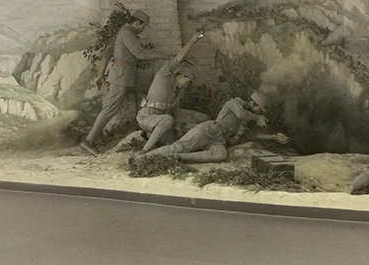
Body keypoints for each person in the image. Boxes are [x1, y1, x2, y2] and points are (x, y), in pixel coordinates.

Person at [81, 10, 163, 155]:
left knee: (146, 97)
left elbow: (107, 53)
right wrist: (167, 56)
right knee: (110, 109)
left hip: (126, 75)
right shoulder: (126, 33)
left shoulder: (122, 32)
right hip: (121, 77)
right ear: (137, 23)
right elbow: (141, 54)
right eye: (143, 26)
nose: (143, 30)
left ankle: (148, 133)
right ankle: (89, 141)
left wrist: (100, 75)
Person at [135, 91, 289, 163]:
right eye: (258, 109)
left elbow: (251, 135)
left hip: (219, 140)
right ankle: (142, 158)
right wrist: (257, 117)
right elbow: (241, 114)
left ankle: (180, 158)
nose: (257, 112)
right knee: (177, 147)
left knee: (221, 155)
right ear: (252, 103)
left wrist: (273, 137)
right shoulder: (235, 103)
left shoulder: (246, 120)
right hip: (209, 129)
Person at [136, 32, 204, 154]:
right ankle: (144, 151)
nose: (187, 85)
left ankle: (151, 136)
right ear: (182, 76)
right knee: (168, 120)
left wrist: (189, 124)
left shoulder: (176, 91)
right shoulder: (164, 75)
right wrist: (192, 41)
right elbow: (178, 58)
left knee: (175, 144)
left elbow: (176, 113)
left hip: (160, 121)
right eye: (188, 81)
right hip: (147, 117)